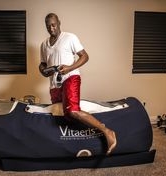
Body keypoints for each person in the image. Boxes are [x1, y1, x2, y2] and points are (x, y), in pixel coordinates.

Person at [39, 13, 116, 155]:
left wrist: (69, 68)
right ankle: (74, 144)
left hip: (70, 77)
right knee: (61, 114)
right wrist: (43, 70)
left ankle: (107, 131)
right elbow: (43, 64)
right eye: (48, 26)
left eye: (54, 24)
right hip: (54, 84)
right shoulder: (44, 44)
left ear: (59, 23)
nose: (51, 28)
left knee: (72, 111)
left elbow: (85, 56)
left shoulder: (69, 37)